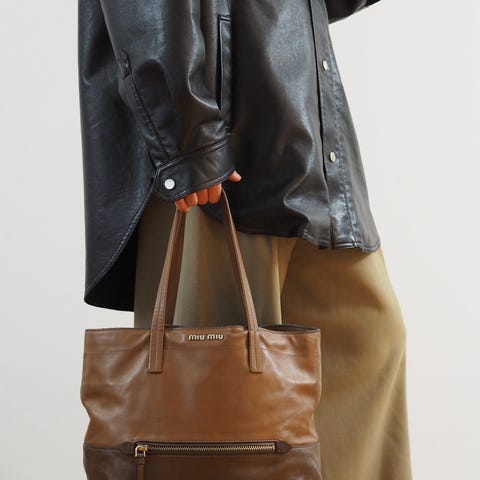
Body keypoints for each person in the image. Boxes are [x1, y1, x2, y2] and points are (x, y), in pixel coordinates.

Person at [78, 1, 413, 478]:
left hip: (306, 130)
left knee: (369, 343)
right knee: (222, 410)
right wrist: (188, 137)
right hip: (218, 141)